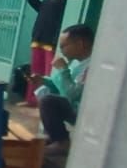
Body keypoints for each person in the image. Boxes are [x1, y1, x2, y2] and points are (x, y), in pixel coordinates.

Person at [32, 23, 94, 153]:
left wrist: (62, 69)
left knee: (48, 101)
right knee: (44, 94)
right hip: (74, 106)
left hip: (87, 112)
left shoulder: (92, 66)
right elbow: (64, 87)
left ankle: (62, 142)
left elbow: (72, 94)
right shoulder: (78, 64)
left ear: (80, 44)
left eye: (63, 47)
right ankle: (53, 137)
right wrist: (43, 81)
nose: (62, 51)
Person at [25, 0, 74, 104]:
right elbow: (42, 9)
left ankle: (46, 102)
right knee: (36, 70)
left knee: (48, 72)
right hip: (39, 34)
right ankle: (32, 99)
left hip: (52, 37)